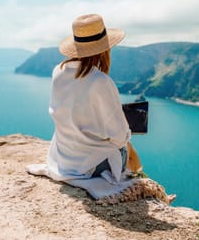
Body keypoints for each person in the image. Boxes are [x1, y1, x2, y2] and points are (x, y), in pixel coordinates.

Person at [46, 13, 135, 183]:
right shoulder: (100, 81)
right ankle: (136, 175)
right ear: (105, 48)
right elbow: (118, 137)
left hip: (63, 159)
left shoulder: (58, 71)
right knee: (126, 144)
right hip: (90, 167)